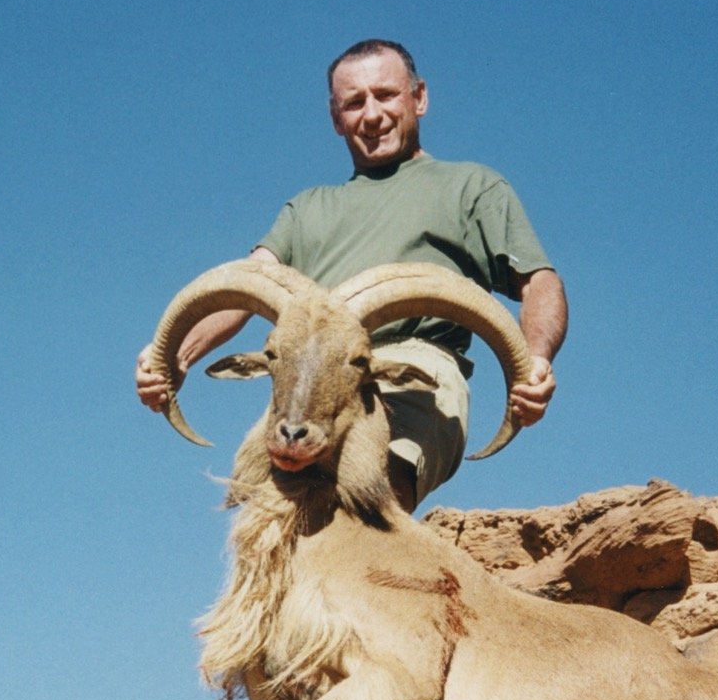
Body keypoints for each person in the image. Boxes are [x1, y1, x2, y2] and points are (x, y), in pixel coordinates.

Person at [136, 38, 568, 511]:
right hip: (311, 372)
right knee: (263, 515)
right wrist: (174, 358)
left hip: (411, 367)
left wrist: (535, 361)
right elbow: (245, 288)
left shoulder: (471, 187)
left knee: (368, 499)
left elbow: (539, 281)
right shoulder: (307, 209)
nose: (372, 114)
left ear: (419, 98)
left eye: (386, 95)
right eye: (354, 102)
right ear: (335, 118)